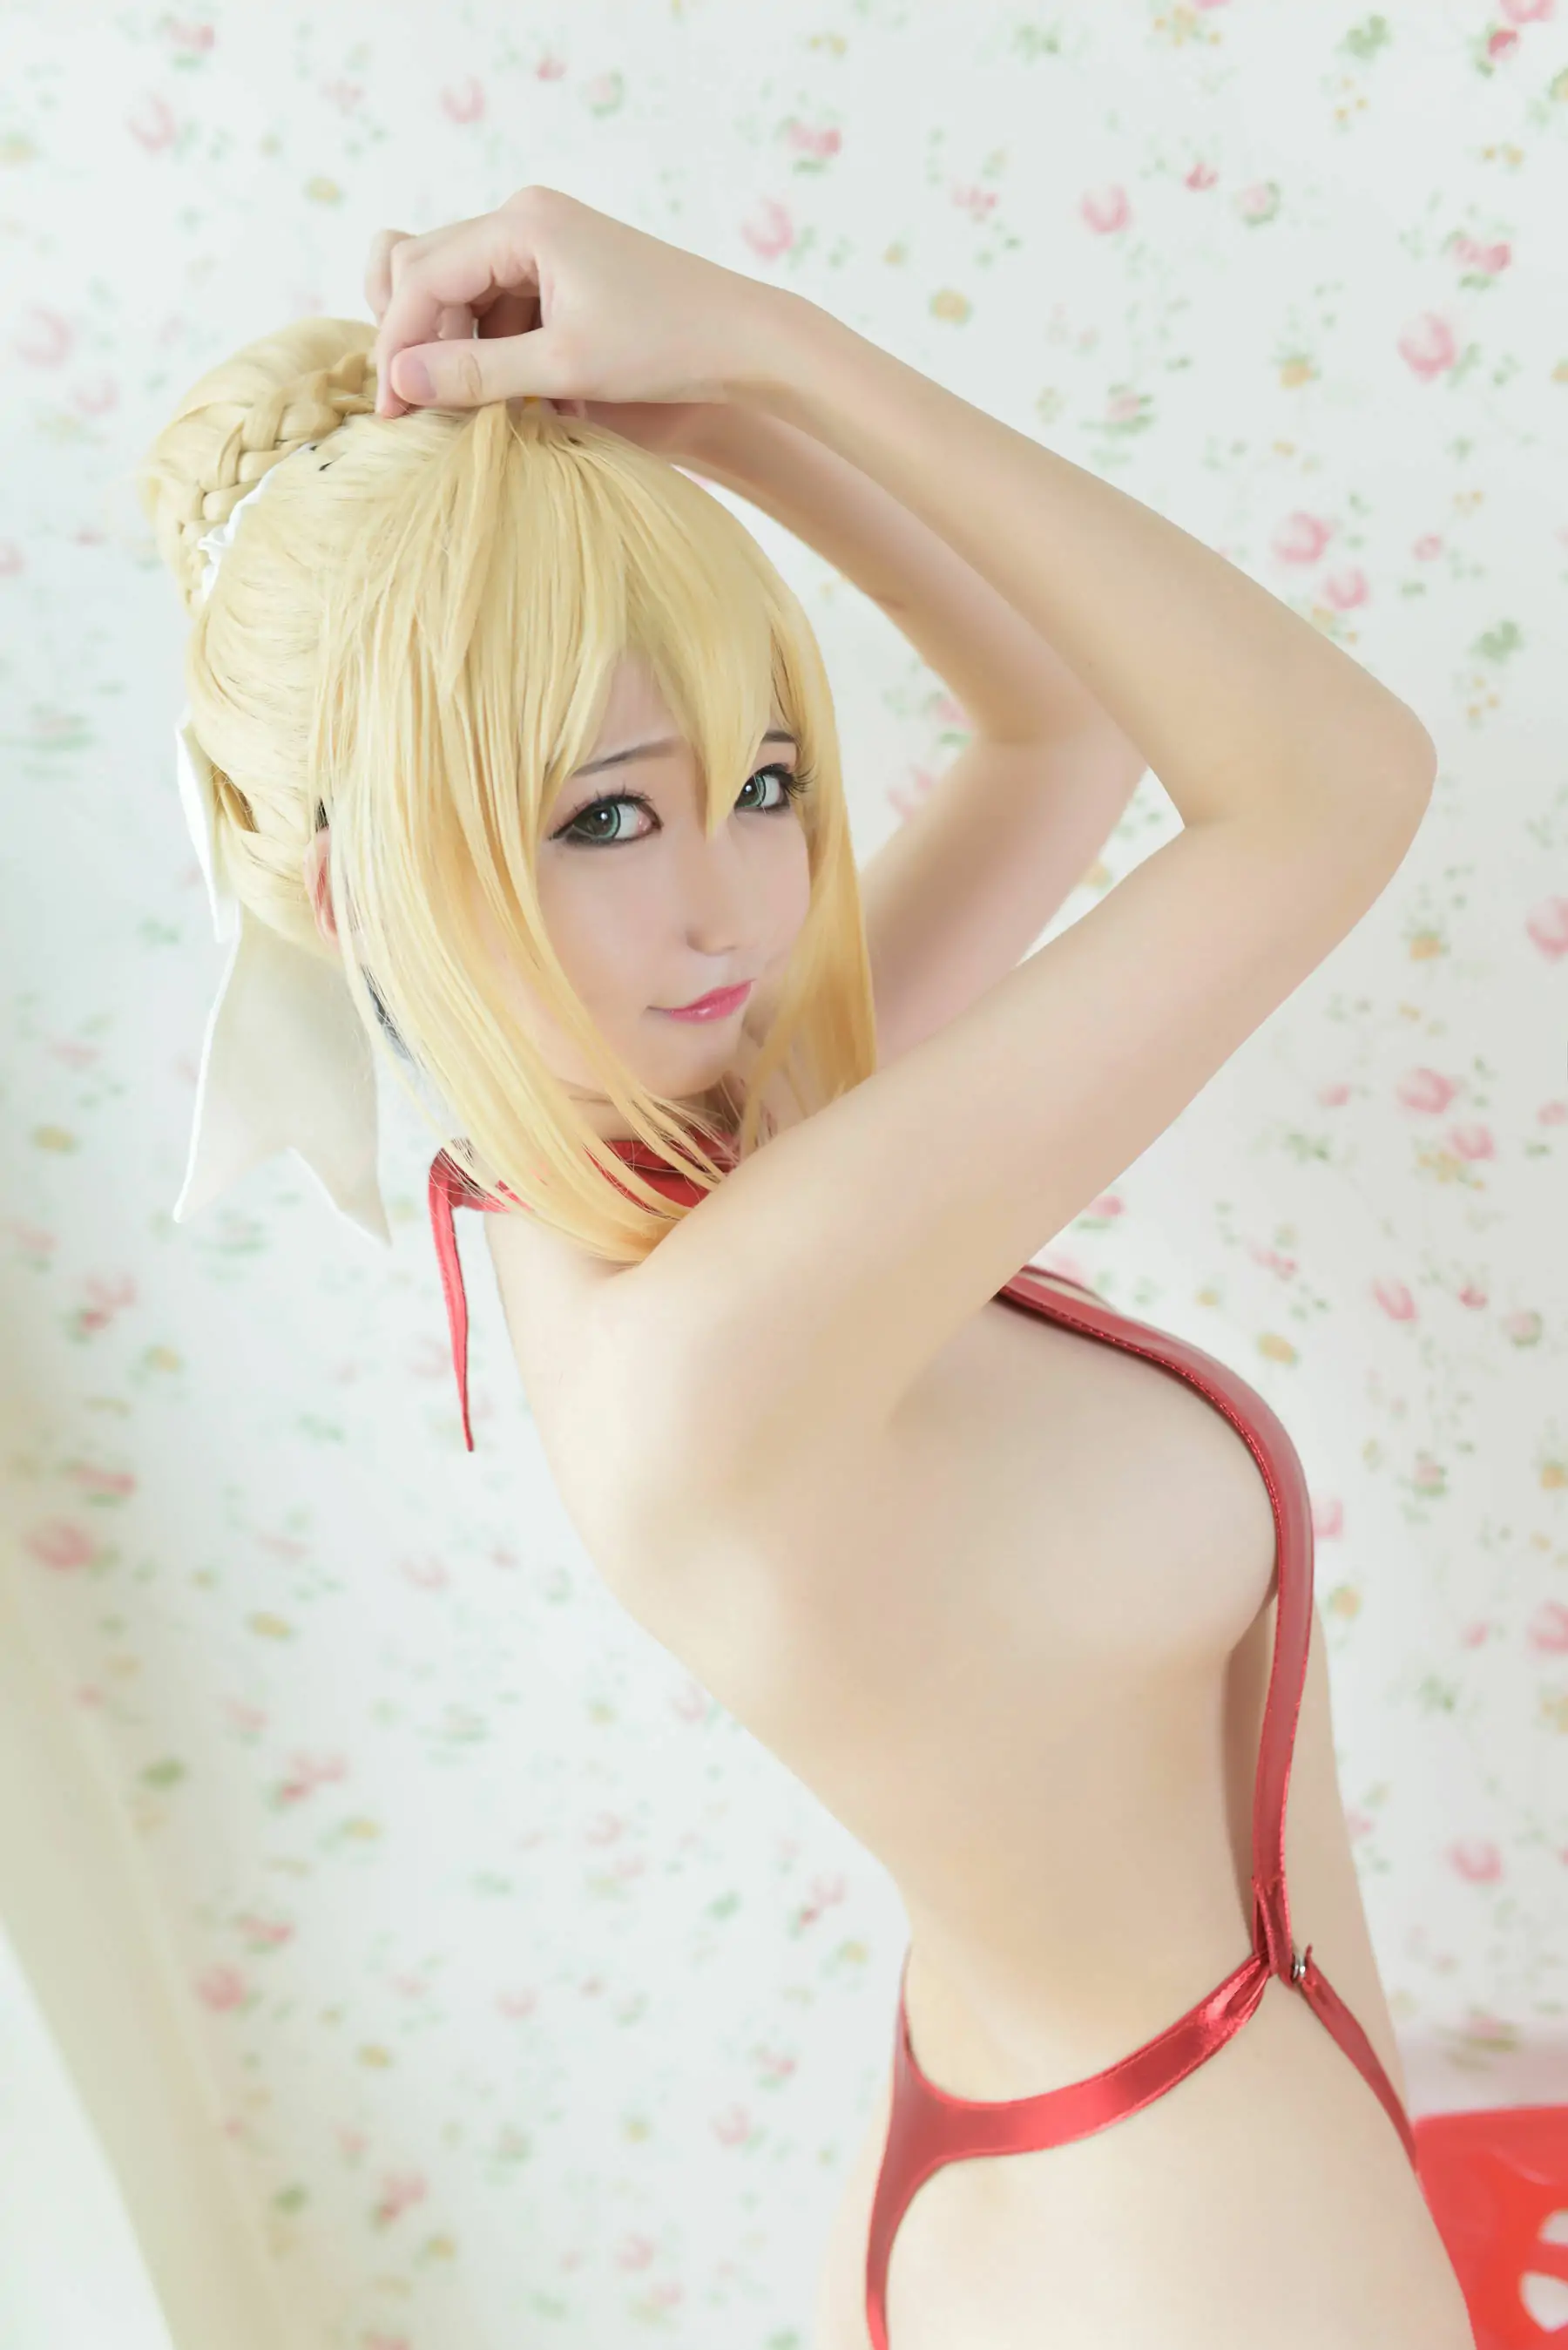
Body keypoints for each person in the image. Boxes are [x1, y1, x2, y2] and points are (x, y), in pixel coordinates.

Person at [139, 187, 1473, 2347]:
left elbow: (1062, 724)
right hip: (1183, 2228)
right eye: (605, 816)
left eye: (764, 778)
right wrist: (781, 346)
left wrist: (722, 416)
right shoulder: (724, 1332)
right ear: (341, 882)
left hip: (1080, 2143)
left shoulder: (684, 1156)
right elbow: (1334, 784)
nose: (742, 904)